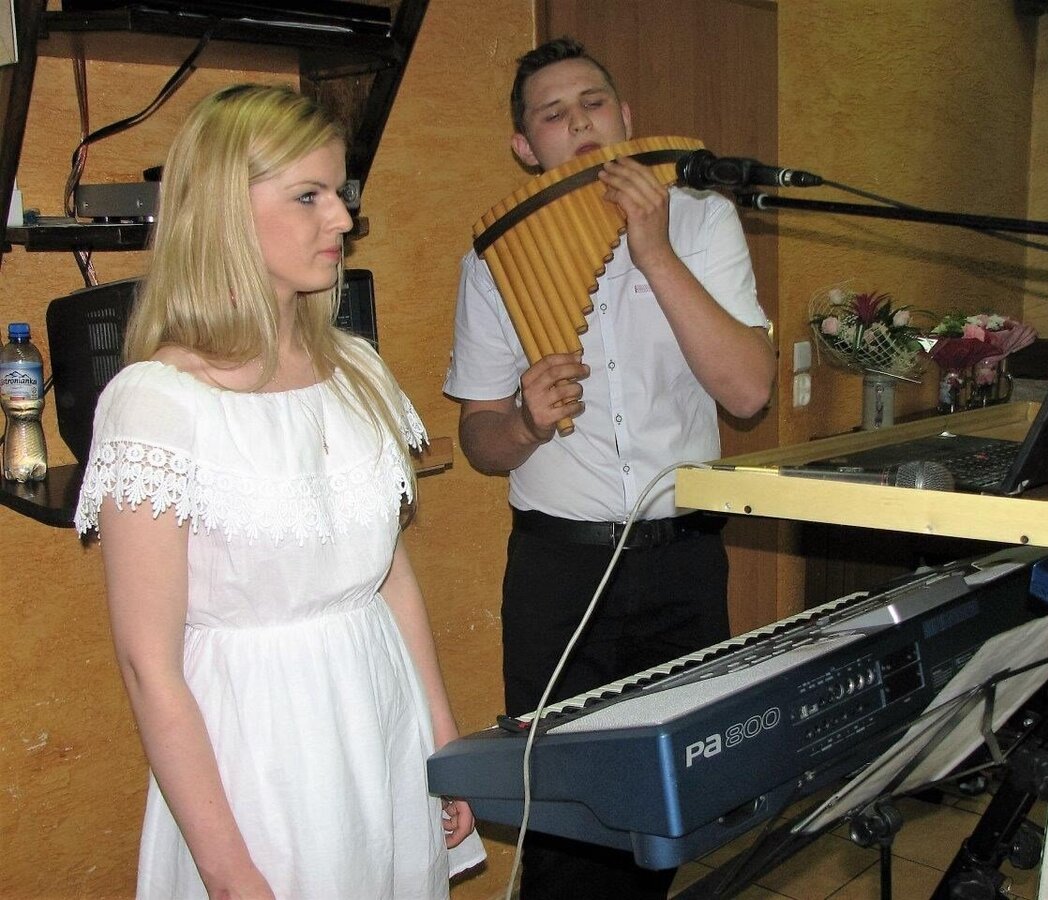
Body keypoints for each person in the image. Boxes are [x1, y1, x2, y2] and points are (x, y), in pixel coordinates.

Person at [74, 83, 484, 900]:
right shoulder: (156, 404)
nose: (342, 218)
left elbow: (388, 573)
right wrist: (226, 873)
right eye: (309, 196)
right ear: (224, 211)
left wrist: (443, 741)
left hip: (379, 713)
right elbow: (149, 665)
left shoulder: (356, 370)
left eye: (340, 193)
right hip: (258, 753)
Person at [443, 38, 775, 899]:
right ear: (526, 147)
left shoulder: (702, 219)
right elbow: (478, 439)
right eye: (552, 115)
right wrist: (523, 423)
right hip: (558, 570)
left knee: (670, 812)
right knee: (566, 823)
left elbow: (748, 392)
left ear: (626, 117)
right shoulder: (495, 260)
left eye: (593, 102)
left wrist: (655, 252)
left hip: (684, 561)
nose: (580, 123)